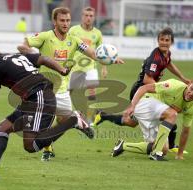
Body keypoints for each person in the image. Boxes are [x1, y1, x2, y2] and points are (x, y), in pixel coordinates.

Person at [0, 39, 93, 181]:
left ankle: (73, 121)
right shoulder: (15, 55)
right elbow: (43, 59)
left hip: (39, 96)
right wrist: (62, 70)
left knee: (30, 145)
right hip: (33, 98)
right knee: (2, 128)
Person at [17, 7, 124, 161]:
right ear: (54, 21)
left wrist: (110, 58)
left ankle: (76, 121)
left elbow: (93, 54)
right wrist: (32, 54)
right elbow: (24, 44)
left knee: (63, 122)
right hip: (45, 89)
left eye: (67, 20)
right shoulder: (46, 37)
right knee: (44, 125)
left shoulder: (74, 41)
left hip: (62, 90)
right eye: (62, 20)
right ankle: (48, 149)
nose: (66, 23)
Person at [94, 27, 190, 152]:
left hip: (149, 91)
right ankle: (170, 146)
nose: (164, 42)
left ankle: (104, 116)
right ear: (157, 40)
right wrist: (161, 90)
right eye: (162, 39)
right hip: (141, 92)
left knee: (132, 122)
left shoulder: (166, 54)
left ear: (171, 42)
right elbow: (146, 80)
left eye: (167, 40)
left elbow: (169, 63)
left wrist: (182, 78)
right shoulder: (155, 58)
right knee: (170, 115)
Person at [112, 78, 193, 161]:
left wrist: (180, 154)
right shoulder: (174, 85)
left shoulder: (191, 108)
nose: (191, 93)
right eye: (191, 89)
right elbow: (144, 88)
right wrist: (132, 106)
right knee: (172, 114)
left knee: (164, 149)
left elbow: (185, 131)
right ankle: (156, 153)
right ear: (188, 85)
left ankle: (122, 146)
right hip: (145, 103)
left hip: (157, 114)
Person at [68, 6, 107, 123]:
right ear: (82, 17)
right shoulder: (74, 30)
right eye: (86, 15)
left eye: (91, 16)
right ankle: (76, 113)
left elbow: (101, 52)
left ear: (94, 18)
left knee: (92, 91)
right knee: (70, 92)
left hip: (91, 67)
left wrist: (104, 68)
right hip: (75, 66)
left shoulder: (98, 34)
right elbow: (67, 45)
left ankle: (93, 113)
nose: (88, 18)